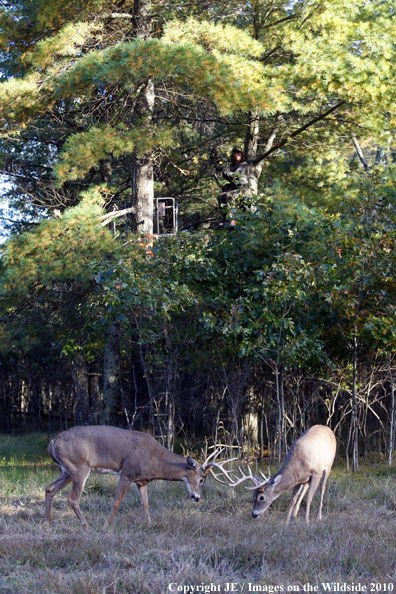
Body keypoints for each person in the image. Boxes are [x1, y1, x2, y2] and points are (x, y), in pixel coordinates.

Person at [216, 146, 250, 226]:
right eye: (234, 153)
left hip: (242, 189)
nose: (236, 155)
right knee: (221, 196)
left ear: (241, 155)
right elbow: (230, 178)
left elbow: (236, 175)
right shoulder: (233, 165)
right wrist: (220, 170)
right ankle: (223, 219)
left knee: (228, 196)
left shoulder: (244, 164)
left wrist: (225, 171)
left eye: (238, 153)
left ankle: (233, 219)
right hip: (233, 188)